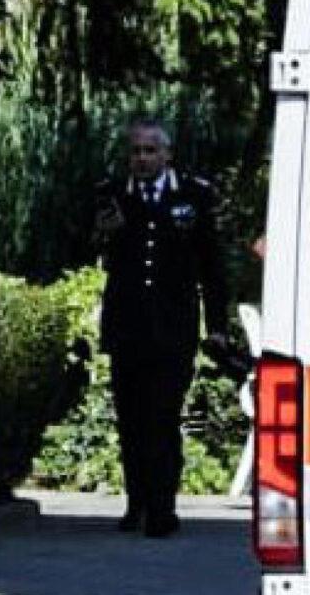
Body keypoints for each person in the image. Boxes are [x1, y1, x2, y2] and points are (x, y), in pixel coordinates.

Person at [94, 117, 228, 538]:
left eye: (150, 151)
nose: (142, 159)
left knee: (163, 417)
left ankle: (163, 507)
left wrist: (218, 326)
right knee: (131, 418)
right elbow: (89, 247)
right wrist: (101, 234)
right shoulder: (110, 196)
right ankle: (136, 503)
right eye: (135, 151)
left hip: (174, 327)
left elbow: (212, 266)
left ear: (167, 155)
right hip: (127, 327)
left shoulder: (193, 196)